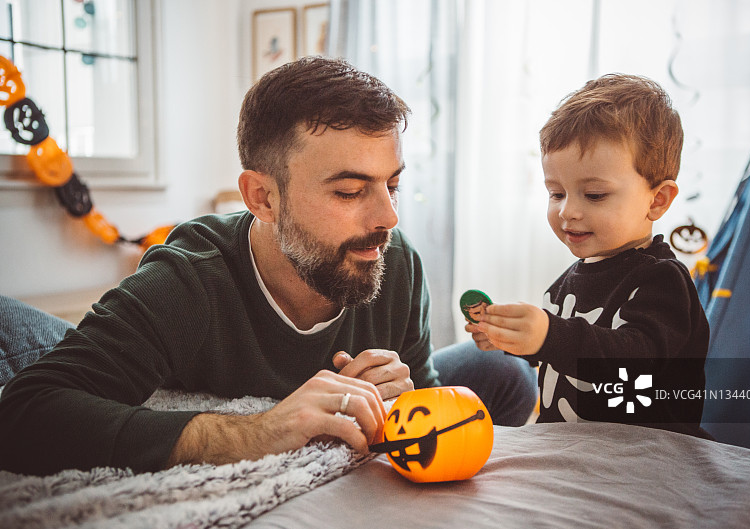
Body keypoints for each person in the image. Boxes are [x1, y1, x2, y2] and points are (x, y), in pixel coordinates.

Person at [0, 57, 536, 476]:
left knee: (506, 372)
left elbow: (423, 398)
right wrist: (249, 434)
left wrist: (401, 397)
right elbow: (23, 414)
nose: (388, 217)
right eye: (350, 191)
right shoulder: (189, 279)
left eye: (392, 184)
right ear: (262, 197)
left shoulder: (395, 261)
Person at [467, 74, 711, 438]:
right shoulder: (567, 281)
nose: (568, 211)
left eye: (594, 195)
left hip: (644, 459)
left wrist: (549, 335)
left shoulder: (662, 280)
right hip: (570, 454)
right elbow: (559, 353)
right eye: (556, 193)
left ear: (657, 200)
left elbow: (634, 360)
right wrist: (515, 341)